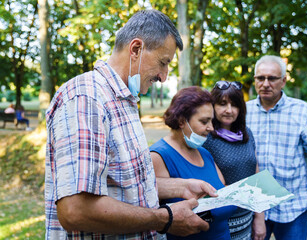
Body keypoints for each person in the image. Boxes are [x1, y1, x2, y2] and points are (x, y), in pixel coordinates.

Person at [45, 10, 217, 240]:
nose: (164, 76)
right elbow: (76, 210)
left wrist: (180, 187)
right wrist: (165, 219)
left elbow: (123, 185)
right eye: (163, 63)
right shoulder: (87, 99)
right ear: (136, 49)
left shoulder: (123, 100)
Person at [246, 55, 307, 240]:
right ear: (255, 80)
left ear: (283, 81)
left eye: (272, 78)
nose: (265, 83)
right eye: (260, 78)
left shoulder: (301, 110)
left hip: (293, 207)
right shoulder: (243, 111)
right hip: (255, 207)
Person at [150, 86, 237, 240]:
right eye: (204, 121)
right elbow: (152, 214)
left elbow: (221, 190)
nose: (211, 128)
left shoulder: (204, 152)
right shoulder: (158, 156)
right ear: (182, 120)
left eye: (212, 121)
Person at [203, 80, 266, 240]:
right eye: (222, 104)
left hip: (246, 219)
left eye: (234, 104)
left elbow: (256, 177)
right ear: (212, 106)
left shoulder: (247, 134)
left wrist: (259, 218)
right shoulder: (206, 138)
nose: (229, 110)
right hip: (219, 222)